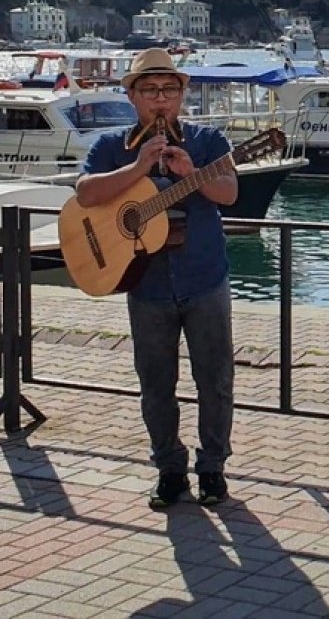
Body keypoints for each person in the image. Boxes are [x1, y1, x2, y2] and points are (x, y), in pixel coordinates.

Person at [75, 48, 239, 510]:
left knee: (215, 379)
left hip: (204, 278)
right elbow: (86, 194)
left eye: (170, 90)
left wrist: (194, 175)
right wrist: (137, 169)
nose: (161, 100)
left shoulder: (208, 141)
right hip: (145, 284)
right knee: (155, 383)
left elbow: (228, 193)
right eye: (150, 91)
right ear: (132, 96)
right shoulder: (111, 147)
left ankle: (213, 469)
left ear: (182, 95)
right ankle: (169, 469)